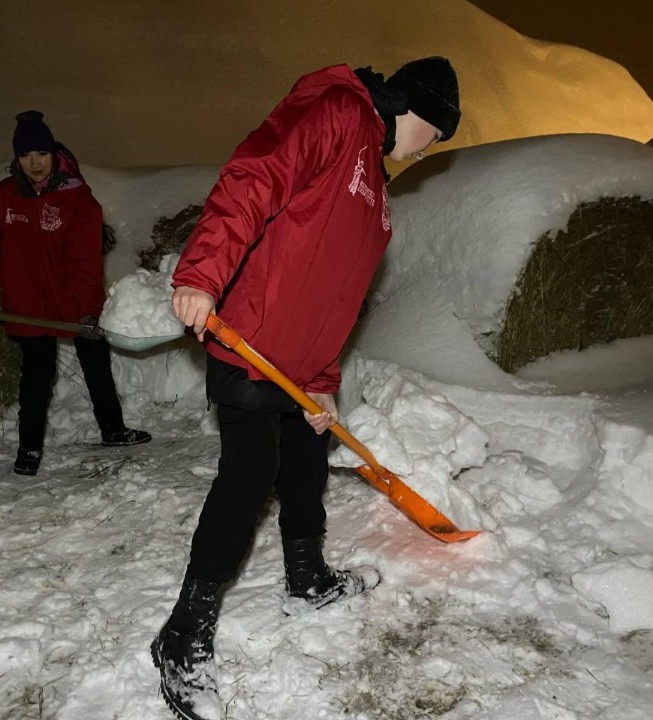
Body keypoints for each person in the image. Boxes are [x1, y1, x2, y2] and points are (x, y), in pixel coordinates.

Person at [151, 58, 461, 719]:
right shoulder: (339, 113)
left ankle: (307, 576)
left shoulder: (378, 197)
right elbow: (255, 174)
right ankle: (182, 634)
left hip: (297, 368)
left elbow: (334, 297)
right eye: (434, 134)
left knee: (304, 464)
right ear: (412, 109)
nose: (428, 149)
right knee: (249, 474)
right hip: (249, 339)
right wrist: (201, 273)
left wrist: (323, 384)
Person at [0, 110, 150, 477]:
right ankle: (29, 447)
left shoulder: (78, 199)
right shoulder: (5, 196)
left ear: (54, 153)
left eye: (41, 153)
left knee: (95, 362)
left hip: (74, 300)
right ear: (16, 158)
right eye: (25, 155)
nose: (34, 164)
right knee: (36, 374)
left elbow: (84, 261)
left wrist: (88, 310)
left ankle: (113, 430)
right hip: (30, 303)